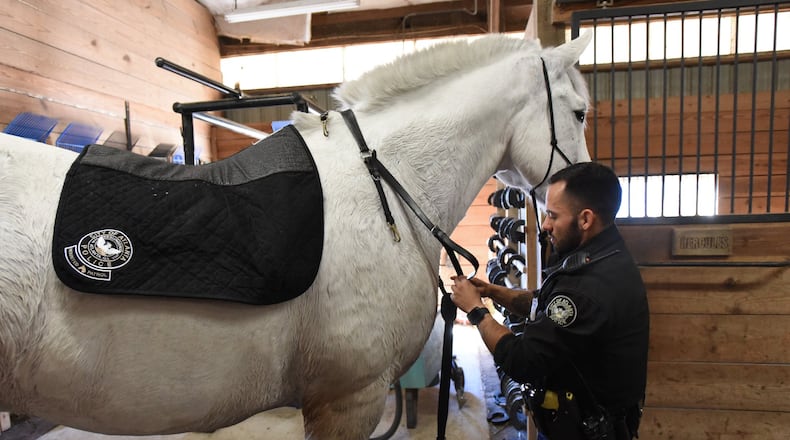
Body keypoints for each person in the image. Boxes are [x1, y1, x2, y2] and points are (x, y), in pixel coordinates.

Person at [451, 162, 649, 440]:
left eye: (553, 216)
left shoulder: (587, 288)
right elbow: (543, 303)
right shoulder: (602, 257)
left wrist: (475, 311)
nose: (545, 225)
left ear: (585, 219)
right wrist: (493, 291)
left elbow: (522, 361)